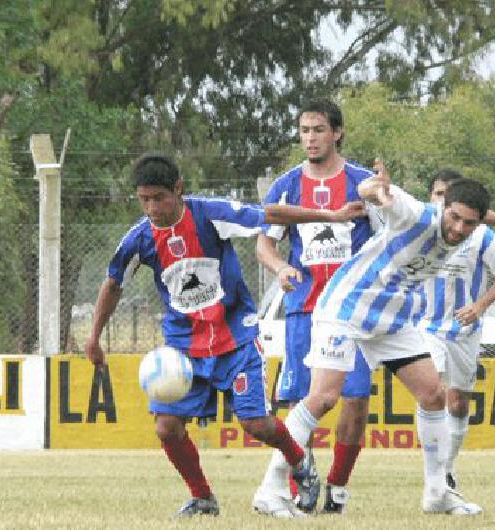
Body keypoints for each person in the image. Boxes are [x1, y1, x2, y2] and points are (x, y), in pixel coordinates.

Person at [84, 153, 367, 517]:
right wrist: (94, 337)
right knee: (167, 427)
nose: (152, 207)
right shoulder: (139, 239)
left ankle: (299, 463)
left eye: (159, 198)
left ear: (179, 190)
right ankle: (203, 497)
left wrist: (329, 216)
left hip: (235, 339)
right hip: (184, 347)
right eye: (144, 200)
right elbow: (113, 284)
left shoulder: (210, 214)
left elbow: (272, 215)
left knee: (255, 424)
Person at [258, 160, 493, 516]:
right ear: (442, 208)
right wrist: (377, 189)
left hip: (393, 317)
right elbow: (371, 191)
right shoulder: (414, 213)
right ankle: (271, 488)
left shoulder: (469, 228)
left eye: (469, 223)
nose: (459, 229)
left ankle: (436, 492)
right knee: (322, 398)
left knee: (433, 395)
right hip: (347, 308)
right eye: (454, 218)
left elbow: (483, 217)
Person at [253, 97, 382, 516]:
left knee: (355, 400)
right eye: (305, 131)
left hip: (352, 311)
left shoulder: (362, 183)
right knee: (302, 400)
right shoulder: (286, 185)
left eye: (319, 130)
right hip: (304, 308)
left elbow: (388, 236)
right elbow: (264, 244)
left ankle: (338, 488)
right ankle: (300, 485)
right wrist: (280, 268)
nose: (310, 138)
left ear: (337, 133)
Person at [418, 169, 495, 492]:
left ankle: (447, 468)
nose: (442, 200)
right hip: (426, 325)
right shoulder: (422, 228)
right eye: (437, 194)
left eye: (447, 194)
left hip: (465, 332)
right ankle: (433, 475)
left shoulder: (481, 237)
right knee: (432, 391)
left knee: (458, 403)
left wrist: (479, 306)